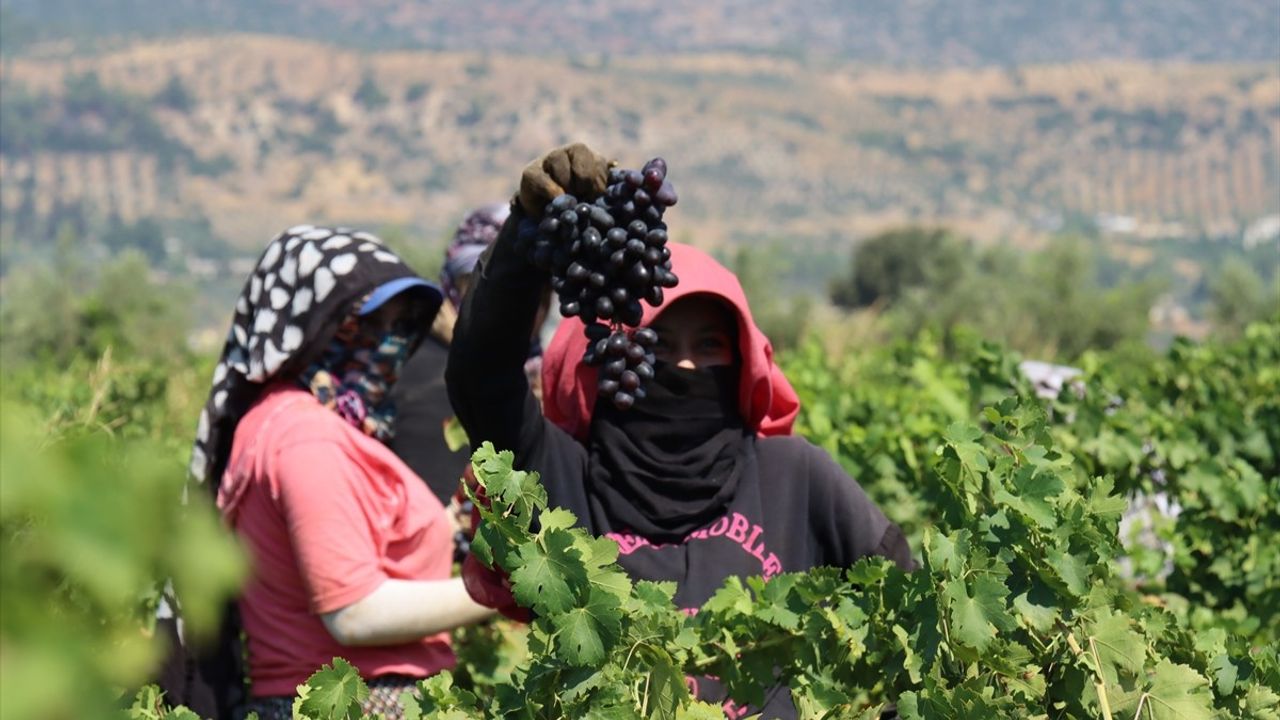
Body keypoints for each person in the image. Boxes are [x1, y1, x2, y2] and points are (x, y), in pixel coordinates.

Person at [446, 144, 915, 717]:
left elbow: (910, 625)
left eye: (710, 346)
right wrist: (525, 235)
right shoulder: (560, 480)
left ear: (743, 361)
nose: (687, 366)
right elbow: (482, 375)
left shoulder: (794, 479)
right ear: (607, 359)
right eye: (659, 346)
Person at [189, 224, 494, 720]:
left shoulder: (297, 423)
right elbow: (355, 612)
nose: (389, 343)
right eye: (370, 323)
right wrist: (497, 593)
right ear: (313, 325)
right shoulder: (307, 438)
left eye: (403, 324)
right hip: (359, 704)